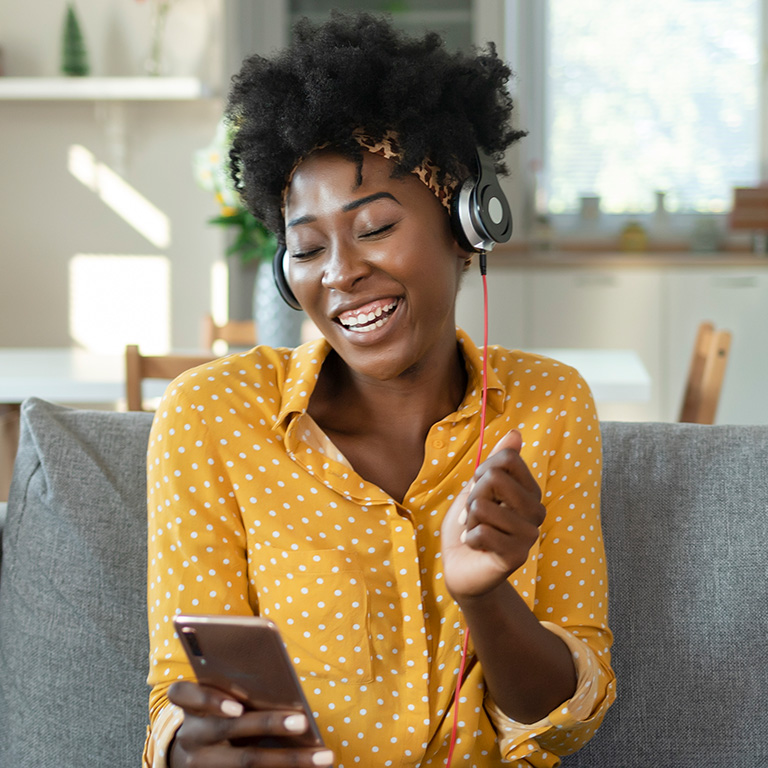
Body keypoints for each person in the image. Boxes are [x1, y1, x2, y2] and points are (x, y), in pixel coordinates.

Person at [143, 12, 615, 768]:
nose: (338, 273)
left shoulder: (546, 406)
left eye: (375, 227)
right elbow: (178, 696)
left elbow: (564, 717)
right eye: (306, 247)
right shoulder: (213, 418)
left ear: (468, 226)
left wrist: (485, 595)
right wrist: (201, 749)